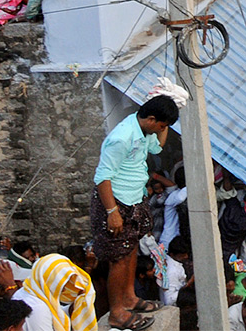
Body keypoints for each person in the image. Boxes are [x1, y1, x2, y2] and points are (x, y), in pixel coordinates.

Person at [91, 95, 180, 331]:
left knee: (130, 251)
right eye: (161, 125)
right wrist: (112, 212)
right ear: (151, 119)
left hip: (133, 198)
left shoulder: (144, 132)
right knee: (118, 259)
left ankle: (129, 298)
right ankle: (117, 312)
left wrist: (166, 122)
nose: (162, 130)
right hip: (116, 202)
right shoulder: (121, 137)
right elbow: (102, 177)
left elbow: (158, 146)